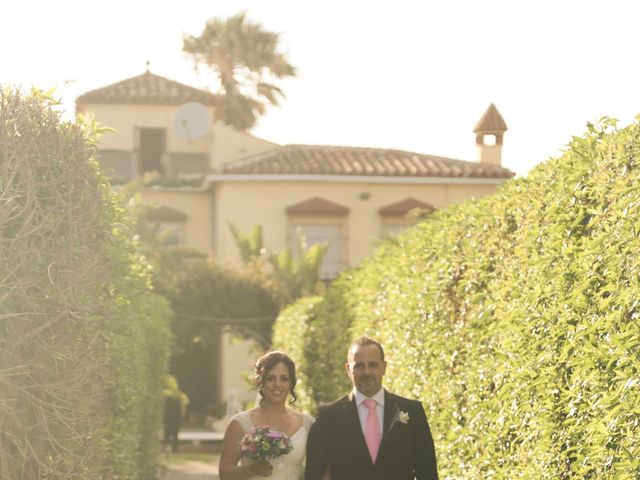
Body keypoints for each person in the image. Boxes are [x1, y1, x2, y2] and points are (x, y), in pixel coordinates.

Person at [305, 337, 439, 480]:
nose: (366, 372)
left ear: (384, 367)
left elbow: (427, 472)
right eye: (359, 366)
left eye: (373, 365)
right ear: (348, 369)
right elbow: (314, 475)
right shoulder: (329, 417)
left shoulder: (412, 412)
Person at [219, 351, 314, 479]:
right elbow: (224, 473)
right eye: (270, 378)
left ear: (291, 383)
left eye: (284, 378)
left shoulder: (306, 423)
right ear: (260, 381)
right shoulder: (240, 423)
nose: (277, 384)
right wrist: (252, 469)